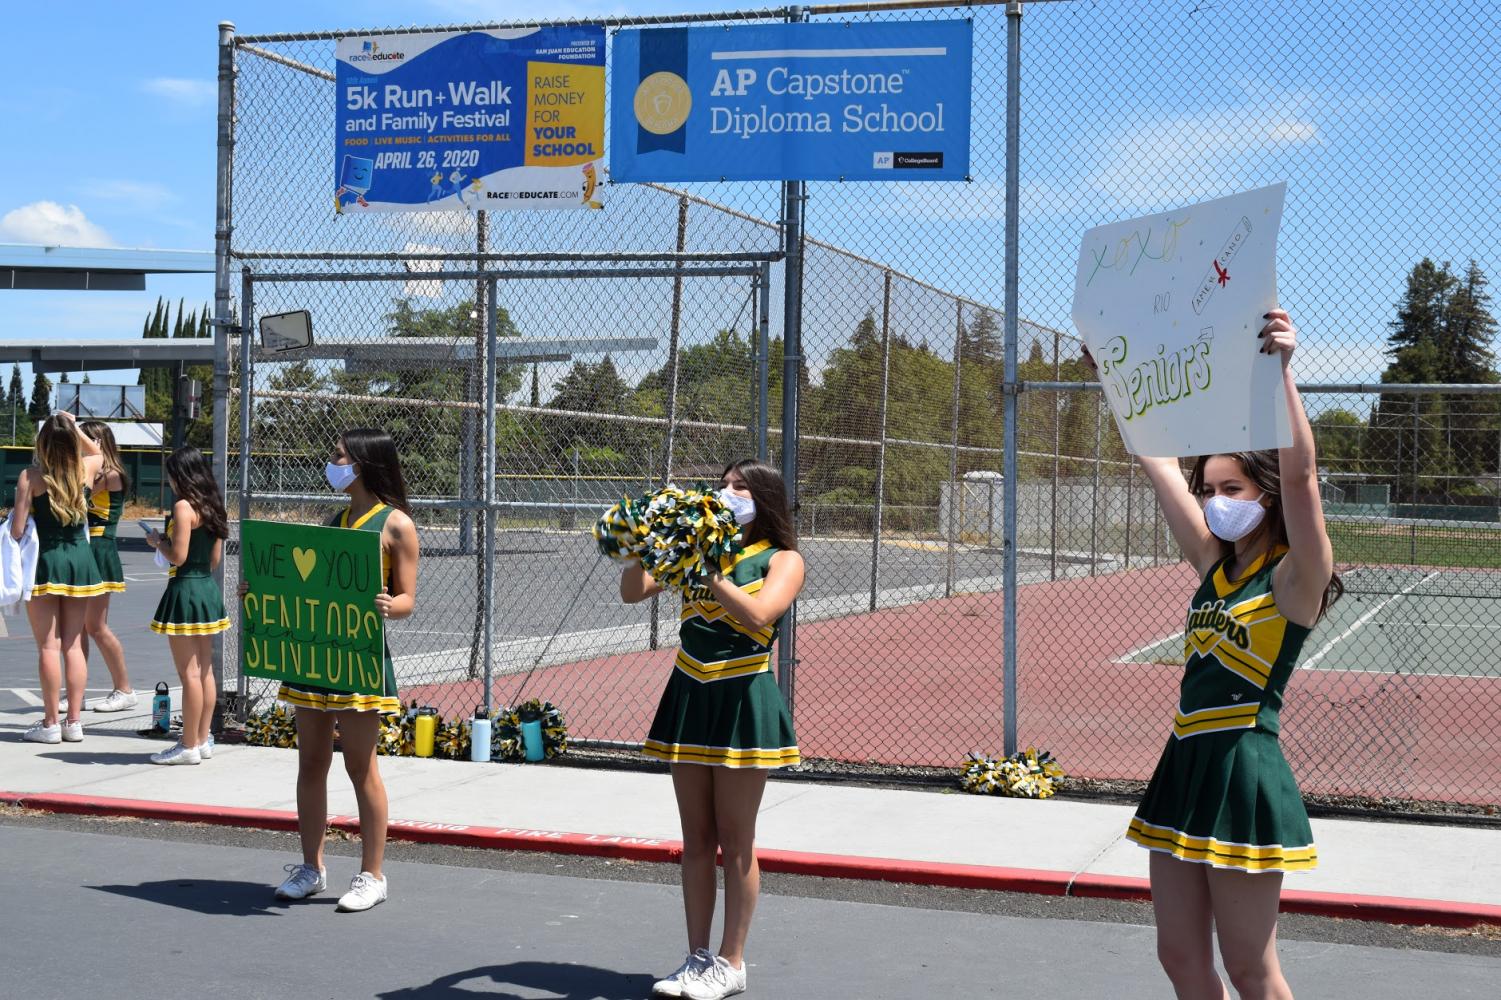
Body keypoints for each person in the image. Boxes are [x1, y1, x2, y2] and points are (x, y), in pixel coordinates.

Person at [1090, 309, 1341, 1000]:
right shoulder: (1212, 563)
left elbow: (1303, 479)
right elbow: (1155, 462)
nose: (1214, 501)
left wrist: (1281, 371)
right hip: (1182, 764)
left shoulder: (1294, 579)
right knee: (1178, 957)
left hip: (1242, 768)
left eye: (1231, 489)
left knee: (1250, 968)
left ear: (1263, 493)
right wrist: (1119, 379)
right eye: (1209, 490)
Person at [620, 460, 804, 1000]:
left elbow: (762, 615)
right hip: (689, 692)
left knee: (736, 839)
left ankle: (732, 962)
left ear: (764, 498)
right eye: (722, 486)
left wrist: (710, 572)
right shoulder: (696, 546)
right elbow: (634, 591)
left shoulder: (783, 558)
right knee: (696, 839)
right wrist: (636, 545)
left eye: (739, 487)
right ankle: (696, 957)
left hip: (743, 694)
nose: (726, 494)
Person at [269, 428, 418, 914]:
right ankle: (311, 867)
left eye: (339, 456)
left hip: (359, 661)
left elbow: (408, 599)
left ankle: (373, 875)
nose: (332, 463)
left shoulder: (396, 524)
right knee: (310, 763)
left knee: (361, 766)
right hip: (314, 659)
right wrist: (263, 588)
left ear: (364, 463)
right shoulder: (332, 521)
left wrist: (388, 605)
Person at [11, 411, 106, 743]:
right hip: (80, 560)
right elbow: (98, 452)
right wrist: (73, 425)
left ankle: (51, 722)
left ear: (43, 444)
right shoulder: (85, 470)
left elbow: (18, 529)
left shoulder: (31, 477)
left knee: (48, 647)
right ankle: (74, 721)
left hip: (46, 562)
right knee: (73, 645)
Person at [145, 446, 230, 765]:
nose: (169, 481)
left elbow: (177, 556)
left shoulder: (184, 507)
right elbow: (214, 560)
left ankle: (188, 744)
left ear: (180, 475)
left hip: (184, 590)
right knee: (204, 670)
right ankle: (203, 738)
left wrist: (158, 543)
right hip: (206, 590)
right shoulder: (214, 506)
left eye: (170, 475)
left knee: (188, 674)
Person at [80, 420, 137, 713]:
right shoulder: (96, 471)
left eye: (83, 440)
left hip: (100, 548)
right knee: (79, 627)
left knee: (96, 627)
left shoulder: (109, 474)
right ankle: (77, 690)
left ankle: (125, 689)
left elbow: (77, 494)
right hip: (86, 546)